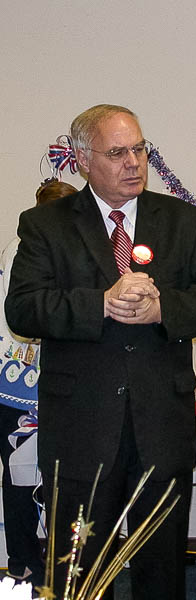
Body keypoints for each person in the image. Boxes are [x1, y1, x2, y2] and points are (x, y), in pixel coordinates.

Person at [5, 104, 196, 600]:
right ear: (83, 159)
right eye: (117, 152)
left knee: (162, 564)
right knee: (80, 571)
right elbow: (22, 309)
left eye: (139, 149)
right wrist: (99, 304)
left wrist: (162, 311)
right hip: (81, 429)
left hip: (162, 424)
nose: (133, 162)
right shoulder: (45, 225)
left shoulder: (183, 221)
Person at [0, 178, 77, 588]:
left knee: (40, 478)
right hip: (21, 384)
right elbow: (30, 318)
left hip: (37, 382)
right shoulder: (27, 251)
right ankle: (27, 563)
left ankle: (36, 563)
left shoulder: (26, 247)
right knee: (24, 477)